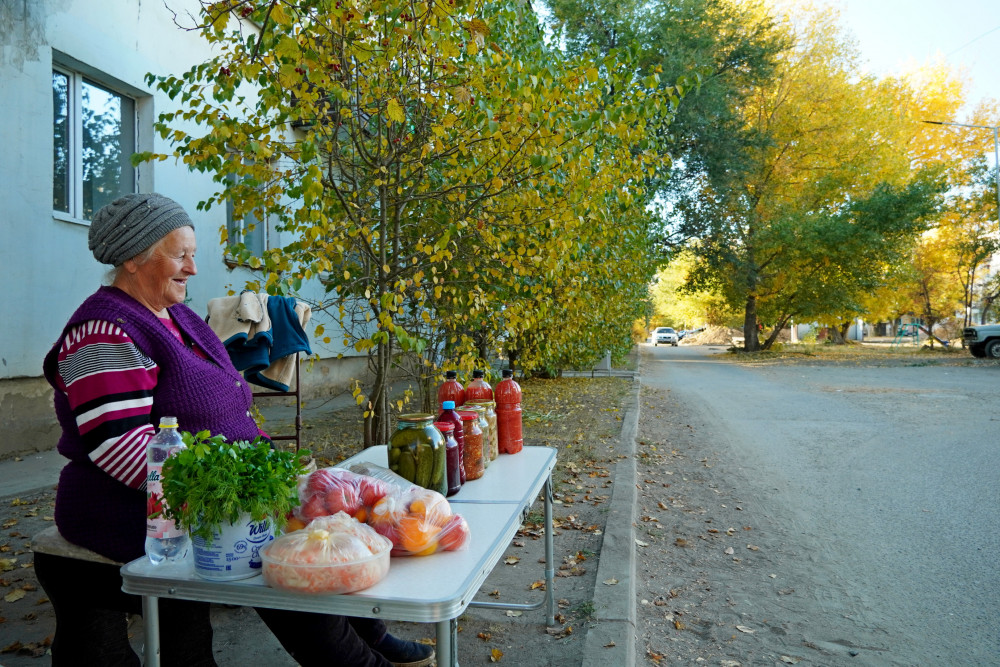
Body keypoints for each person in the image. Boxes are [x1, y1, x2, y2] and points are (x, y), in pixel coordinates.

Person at [35, 193, 435, 667]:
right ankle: (360, 662)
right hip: (128, 510)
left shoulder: (177, 316)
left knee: (319, 521)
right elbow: (121, 450)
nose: (193, 268)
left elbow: (225, 406)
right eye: (179, 254)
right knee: (282, 551)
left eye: (194, 253)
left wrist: (285, 477)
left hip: (206, 493)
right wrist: (245, 494)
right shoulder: (104, 332)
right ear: (133, 258)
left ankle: (371, 635)